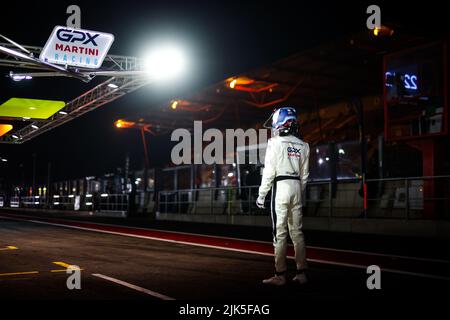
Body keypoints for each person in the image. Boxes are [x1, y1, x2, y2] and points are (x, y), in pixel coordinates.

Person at [256, 107, 310, 286]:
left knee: (279, 234)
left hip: (281, 187)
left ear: (282, 123)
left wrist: (261, 195)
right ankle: (301, 273)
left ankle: (280, 275)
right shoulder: (304, 145)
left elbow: (269, 173)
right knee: (297, 233)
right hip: (296, 187)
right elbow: (305, 175)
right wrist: (300, 195)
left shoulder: (274, 143)